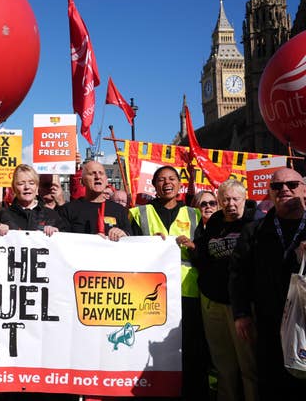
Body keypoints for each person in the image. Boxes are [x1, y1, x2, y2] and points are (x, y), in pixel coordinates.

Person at [129, 165, 208, 400]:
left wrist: (193, 247)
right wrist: (147, 246)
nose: (167, 183)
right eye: (161, 180)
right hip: (150, 296)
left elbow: (204, 253)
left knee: (191, 350)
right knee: (152, 348)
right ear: (154, 186)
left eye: (172, 178)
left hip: (188, 293)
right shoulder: (137, 213)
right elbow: (128, 253)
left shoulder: (194, 215)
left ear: (179, 184)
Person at [230, 167, 306, 399]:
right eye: (276, 186)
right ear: (270, 193)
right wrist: (241, 313)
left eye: (292, 184)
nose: (284, 189)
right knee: (272, 381)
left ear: (304, 189)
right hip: (268, 319)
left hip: (304, 319)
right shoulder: (254, 230)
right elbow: (238, 273)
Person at [186, 180, 257, 401]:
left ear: (244, 199)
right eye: (225, 199)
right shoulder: (214, 224)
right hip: (213, 302)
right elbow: (204, 259)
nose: (230, 204)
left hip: (243, 307)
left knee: (249, 365)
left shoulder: (256, 224)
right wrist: (193, 250)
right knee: (223, 365)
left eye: (235, 198)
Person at [58, 160, 131, 240]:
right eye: (92, 174)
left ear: (106, 181)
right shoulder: (68, 209)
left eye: (101, 173)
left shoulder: (119, 210)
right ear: (82, 182)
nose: (97, 177)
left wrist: (123, 234)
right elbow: (61, 240)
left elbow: (132, 238)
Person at [0, 164, 67, 236]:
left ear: (37, 187)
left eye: (31, 183)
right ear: (14, 188)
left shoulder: (52, 215)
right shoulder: (1, 214)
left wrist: (57, 233)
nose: (27, 187)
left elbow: (67, 242)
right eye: (21, 183)